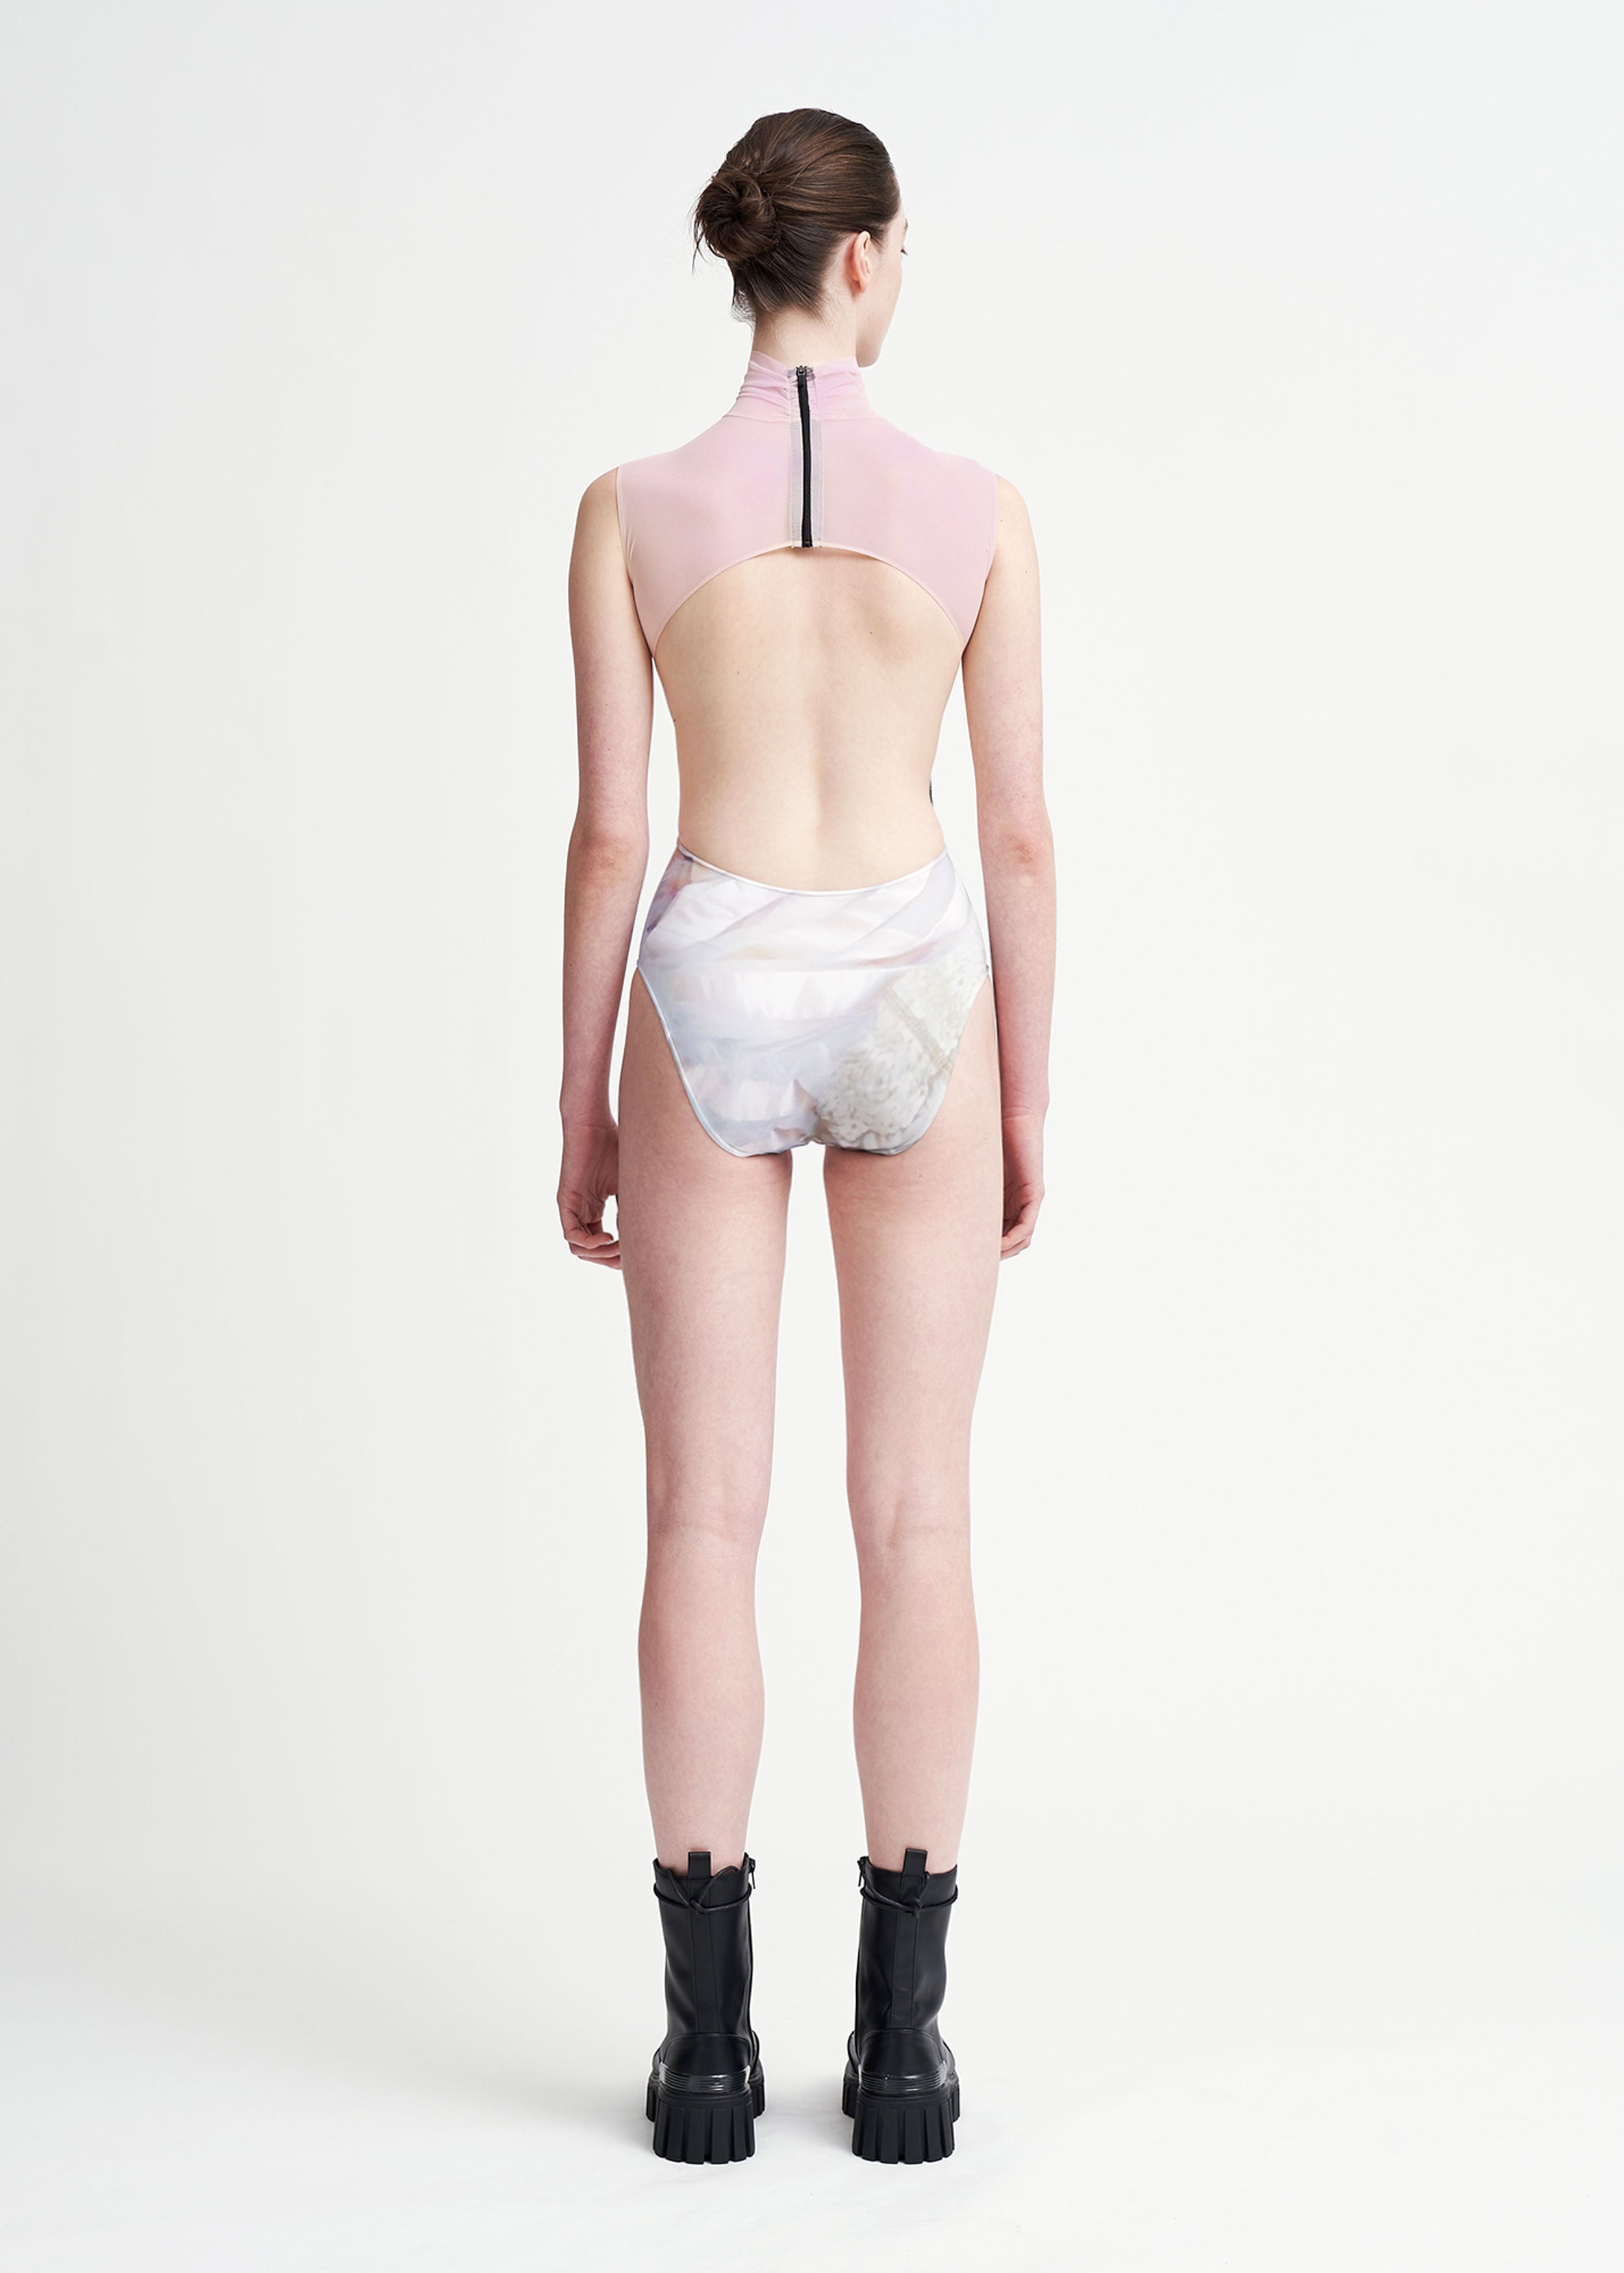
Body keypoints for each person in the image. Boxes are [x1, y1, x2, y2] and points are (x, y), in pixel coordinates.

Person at [559, 107, 1053, 2166]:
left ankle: (702, 2059)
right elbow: (1015, 836)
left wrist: (576, 1099)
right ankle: (906, 2053)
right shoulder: (977, 512)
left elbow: (608, 834)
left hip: (709, 967)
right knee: (915, 1515)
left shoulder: (628, 508)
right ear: (859, 261)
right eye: (902, 249)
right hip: (914, 974)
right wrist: (1023, 1091)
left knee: (702, 1517)